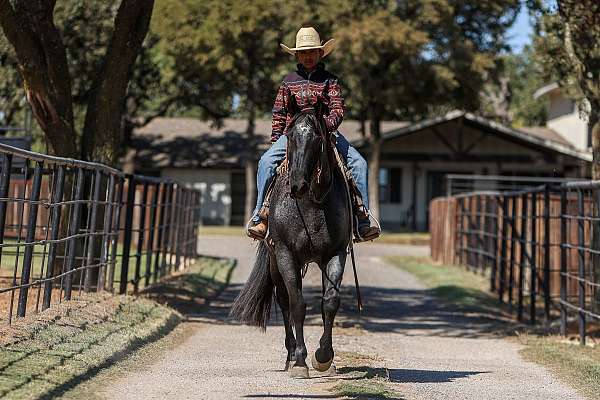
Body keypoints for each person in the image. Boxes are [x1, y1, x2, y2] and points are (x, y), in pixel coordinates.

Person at [247, 27, 380, 241]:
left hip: (326, 133)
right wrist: (276, 142)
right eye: (303, 52)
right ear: (297, 55)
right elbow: (279, 113)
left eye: (312, 52)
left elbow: (338, 110)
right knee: (265, 162)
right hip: (293, 135)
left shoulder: (330, 80)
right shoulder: (288, 82)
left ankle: (362, 220)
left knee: (359, 164)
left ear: (320, 54)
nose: (308, 56)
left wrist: (324, 127)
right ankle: (261, 217)